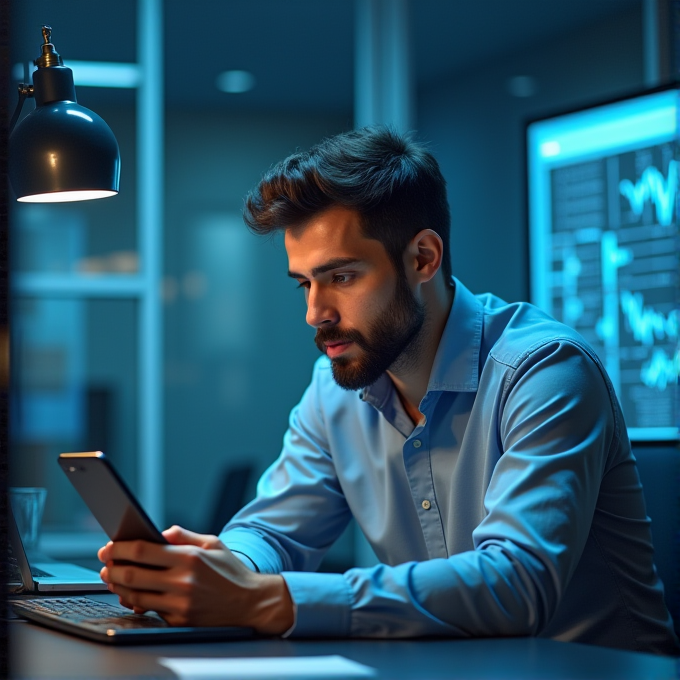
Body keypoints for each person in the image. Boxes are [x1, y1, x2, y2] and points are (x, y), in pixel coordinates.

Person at [99, 127, 679, 654]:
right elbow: (273, 529)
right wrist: (220, 567)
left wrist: (263, 600)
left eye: (341, 277)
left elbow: (517, 585)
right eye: (304, 284)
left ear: (423, 258)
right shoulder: (335, 389)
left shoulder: (546, 371)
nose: (315, 313)